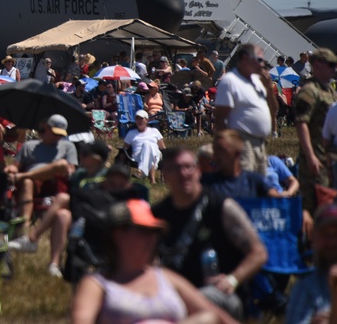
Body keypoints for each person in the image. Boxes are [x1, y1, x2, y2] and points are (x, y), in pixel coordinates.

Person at [71, 198, 238, 324]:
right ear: (118, 234)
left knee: (207, 319)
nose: (152, 239)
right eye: (144, 231)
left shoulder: (165, 277)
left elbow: (217, 316)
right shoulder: (98, 284)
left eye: (154, 233)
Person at [152, 147, 267, 320]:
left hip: (218, 294)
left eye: (188, 167)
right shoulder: (158, 215)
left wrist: (232, 279)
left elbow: (258, 253)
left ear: (198, 171)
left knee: (203, 299)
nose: (183, 174)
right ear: (165, 176)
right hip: (175, 292)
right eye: (175, 169)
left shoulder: (221, 206)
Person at [6, 114, 78, 277]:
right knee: (28, 182)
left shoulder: (68, 147)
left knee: (63, 213)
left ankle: (53, 263)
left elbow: (70, 171)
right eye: (55, 132)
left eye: (61, 134)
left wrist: (61, 169)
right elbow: (16, 166)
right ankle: (25, 229)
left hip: (56, 187)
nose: (58, 137)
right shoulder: (30, 146)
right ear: (45, 129)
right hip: (31, 186)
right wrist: (11, 170)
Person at [293, 48, 337, 234]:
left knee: (330, 200)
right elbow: (301, 123)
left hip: (332, 157)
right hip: (316, 156)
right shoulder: (309, 91)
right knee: (314, 201)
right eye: (331, 65)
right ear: (317, 66)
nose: (334, 69)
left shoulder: (331, 90)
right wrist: (310, 155)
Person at [213, 44, 272, 175]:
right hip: (242, 143)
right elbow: (220, 118)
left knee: (260, 185)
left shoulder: (258, 81)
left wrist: (268, 88)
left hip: (261, 143)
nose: (262, 65)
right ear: (245, 58)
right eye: (260, 60)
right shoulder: (230, 81)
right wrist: (229, 147)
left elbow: (274, 110)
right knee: (245, 183)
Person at [201, 130, 278, 200]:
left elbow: (278, 201)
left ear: (237, 153)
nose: (215, 156)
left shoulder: (254, 181)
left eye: (221, 150)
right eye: (215, 150)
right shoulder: (207, 182)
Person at [122, 110, 165, 184]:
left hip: (156, 154)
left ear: (147, 120)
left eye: (141, 118)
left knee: (149, 146)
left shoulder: (154, 131)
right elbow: (124, 148)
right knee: (148, 146)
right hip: (138, 155)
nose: (139, 121)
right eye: (137, 119)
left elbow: (163, 148)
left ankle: (141, 171)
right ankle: (152, 181)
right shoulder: (131, 133)